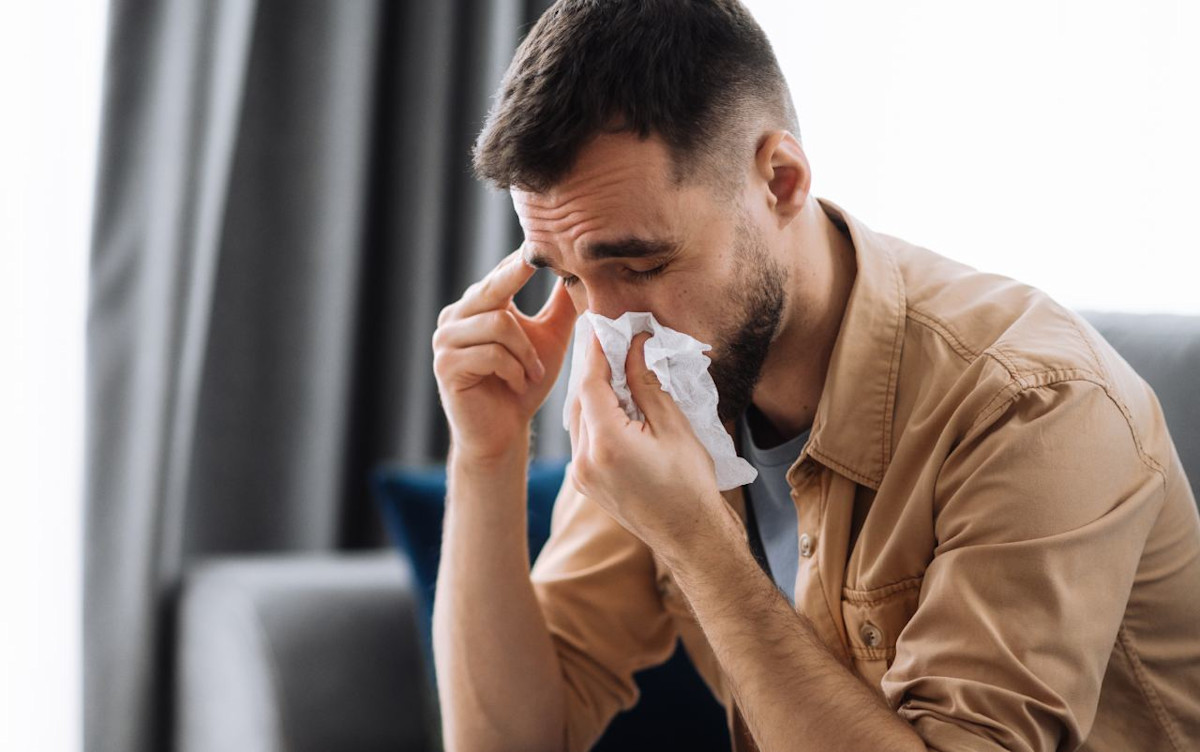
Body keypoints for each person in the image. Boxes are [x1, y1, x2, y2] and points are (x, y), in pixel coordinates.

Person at [429, 1, 1200, 750]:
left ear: (781, 180)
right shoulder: (668, 377)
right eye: (566, 276)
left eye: (642, 264)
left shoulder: (1032, 404)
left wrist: (697, 542)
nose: (610, 326)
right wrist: (488, 455)